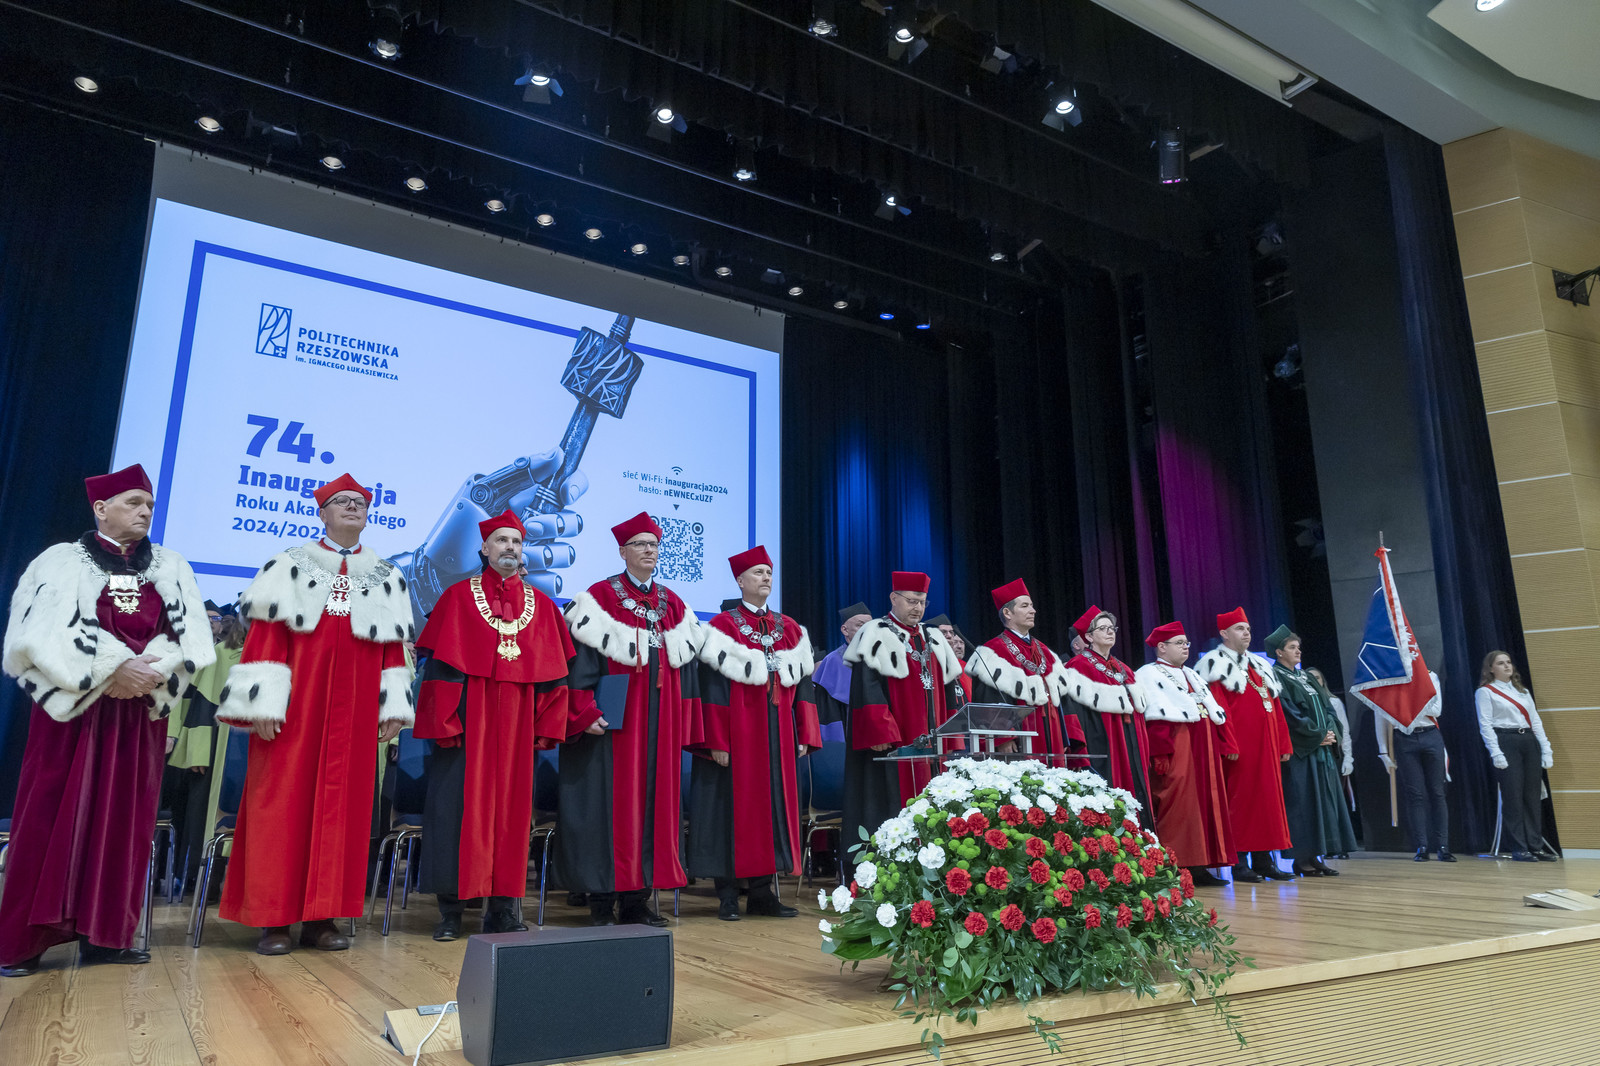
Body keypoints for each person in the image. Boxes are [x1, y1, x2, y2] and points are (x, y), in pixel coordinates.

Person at [0, 464, 214, 977]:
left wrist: (148, 671)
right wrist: (111, 667)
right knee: (49, 817)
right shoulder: (59, 561)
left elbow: (190, 637)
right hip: (73, 713)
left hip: (139, 712)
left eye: (150, 505)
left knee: (125, 823)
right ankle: (23, 941)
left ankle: (106, 935)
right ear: (100, 508)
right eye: (133, 503)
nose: (144, 512)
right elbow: (37, 632)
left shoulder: (171, 566)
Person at [215, 473, 416, 955]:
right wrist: (263, 702)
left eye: (360, 503)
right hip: (295, 707)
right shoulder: (288, 564)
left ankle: (322, 917)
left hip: (356, 710)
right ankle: (274, 918)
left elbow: (393, 650)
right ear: (321, 513)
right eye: (341, 502)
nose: (352, 507)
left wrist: (393, 704)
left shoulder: (387, 575)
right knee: (280, 803)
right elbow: (266, 637)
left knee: (343, 811)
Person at [413, 510, 575, 940]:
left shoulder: (543, 606)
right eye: (502, 540)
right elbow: (440, 669)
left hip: (518, 727)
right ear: (484, 548)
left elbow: (555, 677)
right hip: (468, 725)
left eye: (516, 542)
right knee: (456, 811)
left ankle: (503, 909)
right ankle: (451, 911)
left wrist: (546, 725)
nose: (510, 548)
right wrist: (444, 722)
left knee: (511, 816)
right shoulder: (457, 598)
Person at [555, 512, 702, 927]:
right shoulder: (598, 598)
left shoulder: (674, 605)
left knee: (654, 808)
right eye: (640, 544)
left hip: (659, 726)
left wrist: (685, 724)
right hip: (611, 728)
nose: (649, 551)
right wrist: (583, 712)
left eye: (654, 545)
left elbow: (686, 671)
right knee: (605, 809)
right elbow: (579, 664)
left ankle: (638, 900)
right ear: (622, 552)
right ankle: (601, 901)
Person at [688, 546, 820, 921]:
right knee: (729, 810)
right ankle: (728, 894)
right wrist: (716, 740)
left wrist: (805, 731)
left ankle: (762, 894)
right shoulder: (721, 628)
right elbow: (711, 689)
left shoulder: (790, 628)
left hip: (777, 736)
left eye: (769, 572)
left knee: (772, 810)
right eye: (758, 572)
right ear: (740, 581)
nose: (765, 578)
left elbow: (803, 685)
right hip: (737, 734)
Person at [841, 572, 964, 855]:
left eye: (922, 602)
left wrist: (954, 735)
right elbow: (867, 687)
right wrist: (880, 730)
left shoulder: (933, 637)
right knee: (889, 802)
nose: (918, 608)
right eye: (911, 601)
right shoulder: (875, 632)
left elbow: (950, 689)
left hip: (933, 744)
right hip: (894, 744)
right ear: (893, 598)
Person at [1196, 608, 1294, 884]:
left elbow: (1274, 705)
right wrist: (1228, 742)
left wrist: (1283, 742)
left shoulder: (1259, 664)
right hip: (1241, 748)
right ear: (1224, 634)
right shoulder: (1214, 664)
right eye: (1240, 629)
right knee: (1241, 804)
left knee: (1267, 804)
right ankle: (1239, 862)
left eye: (1248, 628)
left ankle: (1264, 861)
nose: (1247, 633)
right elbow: (1219, 708)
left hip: (1267, 746)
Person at [1134, 622, 1233, 886]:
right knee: (1179, 805)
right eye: (1179, 643)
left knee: (1204, 806)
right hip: (1178, 749)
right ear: (1161, 647)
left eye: (1186, 643)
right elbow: (1156, 720)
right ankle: (1176, 866)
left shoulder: (1191, 674)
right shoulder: (1148, 674)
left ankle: (1200, 865)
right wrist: (1160, 754)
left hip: (1203, 750)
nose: (1185, 647)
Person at [1266, 627, 1356, 877]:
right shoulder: (1277, 677)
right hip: (1301, 753)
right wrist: (1317, 735)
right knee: (1303, 804)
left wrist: (1330, 732)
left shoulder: (1306, 677)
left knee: (1323, 803)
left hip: (1321, 750)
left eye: (1298, 647)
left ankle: (1317, 856)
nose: (1298, 651)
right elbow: (1289, 715)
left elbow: (1328, 708)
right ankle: (1301, 860)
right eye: (1292, 648)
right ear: (1279, 652)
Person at [964, 580, 1084, 765]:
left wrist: (1069, 737)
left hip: (1054, 737)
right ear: (1007, 613)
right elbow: (989, 699)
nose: (1033, 610)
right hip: (1020, 741)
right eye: (1025, 606)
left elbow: (1063, 697)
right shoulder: (992, 651)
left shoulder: (1045, 651)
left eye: (1032, 606)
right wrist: (1003, 736)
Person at [1062, 606, 1151, 813]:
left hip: (1130, 742)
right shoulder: (1077, 666)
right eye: (1103, 628)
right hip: (1102, 741)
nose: (1110, 632)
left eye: (1112, 628)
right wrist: (1080, 751)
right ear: (1089, 636)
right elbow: (1073, 714)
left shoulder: (1124, 668)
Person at [1475, 650, 1555, 862]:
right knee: (1513, 797)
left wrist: (1546, 748)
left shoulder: (1523, 691)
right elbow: (1485, 725)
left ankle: (1536, 846)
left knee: (1532, 796)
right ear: (1491, 668)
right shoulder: (1485, 692)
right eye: (1501, 663)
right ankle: (1519, 847)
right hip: (1506, 741)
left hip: (1528, 740)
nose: (1507, 666)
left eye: (1508, 662)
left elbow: (1535, 721)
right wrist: (1496, 752)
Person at [1370, 668, 1450, 861]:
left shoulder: (1429, 676)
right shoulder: (1389, 678)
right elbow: (1381, 714)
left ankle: (1443, 846)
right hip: (1404, 738)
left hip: (1430, 734)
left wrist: (1404, 701)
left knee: (1437, 792)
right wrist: (1383, 751)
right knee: (1415, 794)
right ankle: (1422, 846)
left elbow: (1436, 709)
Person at [812, 601, 871, 731]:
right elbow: (827, 710)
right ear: (845, 630)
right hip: (846, 730)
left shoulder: (880, 658)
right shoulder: (833, 661)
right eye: (860, 625)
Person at [925, 615, 974, 704]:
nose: (949, 636)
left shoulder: (956, 665)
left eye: (951, 632)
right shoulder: (928, 662)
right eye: (944, 632)